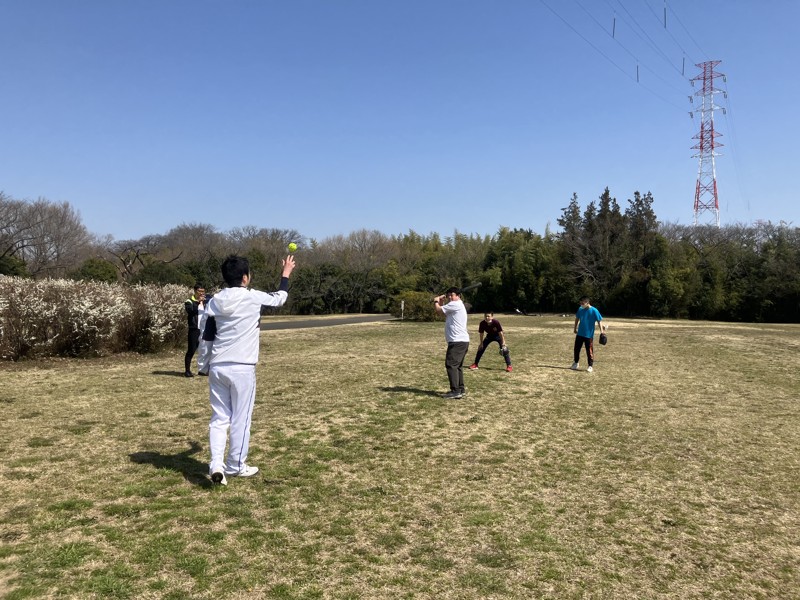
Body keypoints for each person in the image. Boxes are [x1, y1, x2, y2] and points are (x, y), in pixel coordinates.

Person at [204, 254, 296, 485]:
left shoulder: (214, 301)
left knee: (219, 418)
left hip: (217, 365)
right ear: (245, 278)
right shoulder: (252, 297)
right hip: (242, 367)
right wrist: (285, 274)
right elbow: (280, 298)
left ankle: (217, 464)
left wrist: (203, 366)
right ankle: (235, 465)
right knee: (241, 418)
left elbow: (207, 336)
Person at [433, 287, 470, 399]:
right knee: (457, 366)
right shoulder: (454, 305)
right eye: (448, 295)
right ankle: (460, 389)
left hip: (457, 341)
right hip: (460, 341)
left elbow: (438, 310)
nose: (450, 297)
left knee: (451, 365)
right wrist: (441, 302)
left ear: (458, 295)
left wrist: (436, 301)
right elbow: (442, 312)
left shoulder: (455, 304)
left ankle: (455, 391)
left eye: (452, 295)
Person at [571, 296, 606, 373]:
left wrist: (602, 331)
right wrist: (575, 328)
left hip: (588, 335)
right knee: (576, 349)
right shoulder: (580, 309)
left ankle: (590, 366)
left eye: (583, 303)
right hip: (580, 333)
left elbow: (599, 321)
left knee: (589, 351)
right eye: (580, 303)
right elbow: (577, 318)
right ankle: (576, 363)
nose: (581, 304)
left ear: (587, 303)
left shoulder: (594, 310)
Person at [184, 283, 205, 377]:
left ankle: (203, 370)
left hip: (204, 329)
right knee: (191, 350)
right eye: (199, 291)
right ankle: (187, 371)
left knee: (204, 350)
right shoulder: (189, 301)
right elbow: (190, 311)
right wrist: (197, 302)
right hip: (194, 329)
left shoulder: (205, 301)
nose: (201, 293)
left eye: (203, 291)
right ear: (195, 291)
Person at [196, 289, 214, 376]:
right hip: (205, 332)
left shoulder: (208, 306)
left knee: (208, 351)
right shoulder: (204, 307)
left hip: (209, 331)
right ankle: (202, 370)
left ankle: (206, 368)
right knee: (204, 350)